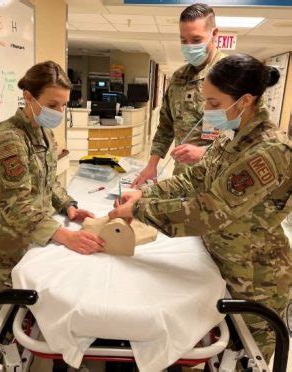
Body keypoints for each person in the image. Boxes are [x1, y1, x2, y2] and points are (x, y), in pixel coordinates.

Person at [109, 53, 292, 363]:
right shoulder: (229, 139)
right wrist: (144, 195)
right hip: (218, 261)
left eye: (215, 103)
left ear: (245, 100)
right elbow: (193, 180)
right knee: (213, 352)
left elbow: (209, 211)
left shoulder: (269, 152)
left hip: (254, 277)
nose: (207, 110)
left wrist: (140, 212)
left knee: (241, 358)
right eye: (206, 101)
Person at [0, 61, 104, 294]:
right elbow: (16, 205)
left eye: (63, 105)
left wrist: (67, 206)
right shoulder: (9, 139)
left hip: (34, 242)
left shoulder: (44, 132)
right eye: (52, 104)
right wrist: (65, 236)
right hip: (5, 254)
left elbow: (49, 180)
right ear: (28, 97)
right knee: (7, 324)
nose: (58, 112)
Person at [132, 3, 226, 187]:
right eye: (184, 40)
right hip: (182, 180)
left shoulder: (234, 75)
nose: (189, 46)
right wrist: (152, 166)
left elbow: (249, 136)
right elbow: (166, 127)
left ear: (214, 34)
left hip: (219, 182)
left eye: (196, 39)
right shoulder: (178, 78)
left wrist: (204, 152)